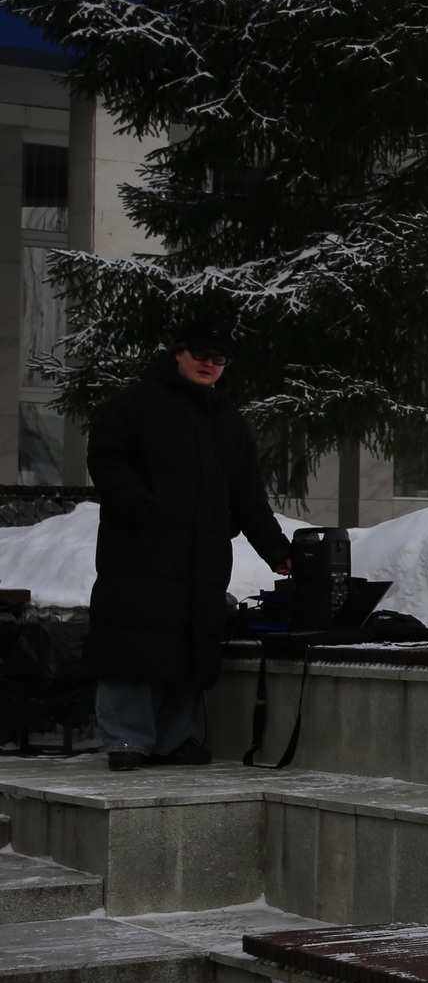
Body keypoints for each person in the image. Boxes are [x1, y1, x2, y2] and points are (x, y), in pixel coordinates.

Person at [85, 318, 293, 771]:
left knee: (187, 645)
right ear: (178, 353)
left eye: (219, 358)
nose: (209, 363)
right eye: (200, 353)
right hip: (140, 552)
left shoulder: (229, 420)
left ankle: (172, 739)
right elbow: (105, 455)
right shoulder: (138, 402)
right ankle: (127, 740)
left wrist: (277, 550)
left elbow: (249, 494)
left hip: (202, 556)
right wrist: (142, 510)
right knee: (132, 642)